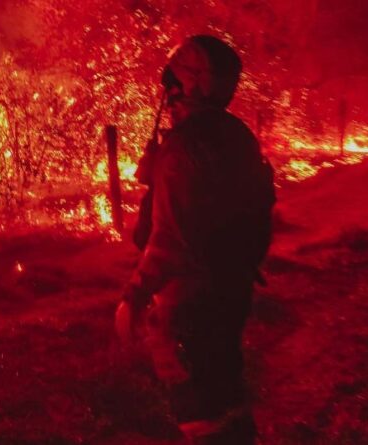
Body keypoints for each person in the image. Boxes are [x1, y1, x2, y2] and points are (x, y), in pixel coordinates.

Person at [120, 35, 275, 444]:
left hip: (187, 307)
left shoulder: (181, 151)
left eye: (172, 88)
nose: (167, 101)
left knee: (200, 414)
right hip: (231, 295)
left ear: (190, 86)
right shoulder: (240, 137)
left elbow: (169, 242)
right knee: (226, 399)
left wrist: (134, 297)